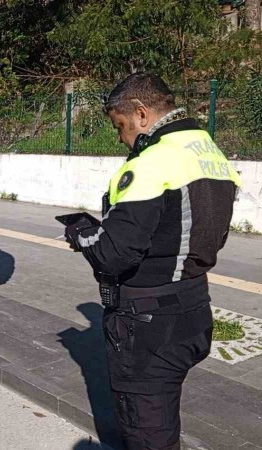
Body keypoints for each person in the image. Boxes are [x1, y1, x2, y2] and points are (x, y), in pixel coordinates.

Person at [64, 73, 241, 450]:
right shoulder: (209, 151)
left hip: (147, 322)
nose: (121, 138)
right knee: (162, 415)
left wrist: (83, 234)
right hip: (194, 309)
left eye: (121, 127)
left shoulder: (149, 163)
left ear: (141, 114)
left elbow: (114, 256)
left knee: (148, 433)